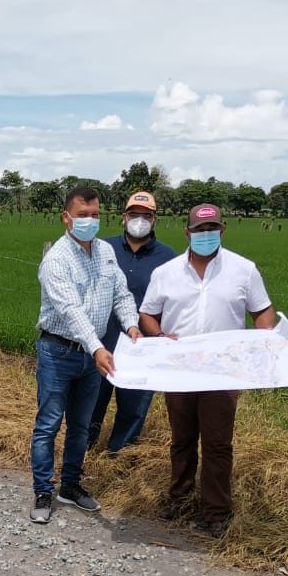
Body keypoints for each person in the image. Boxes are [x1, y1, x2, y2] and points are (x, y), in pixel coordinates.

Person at [139, 204, 276, 537]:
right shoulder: (166, 272)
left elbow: (263, 312)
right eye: (199, 230)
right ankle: (180, 498)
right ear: (187, 233)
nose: (206, 235)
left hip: (223, 371)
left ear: (222, 230)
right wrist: (159, 335)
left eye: (212, 228)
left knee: (217, 442)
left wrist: (262, 341)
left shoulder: (244, 270)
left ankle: (215, 511)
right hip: (180, 370)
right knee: (181, 438)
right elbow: (147, 314)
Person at [30, 186, 142, 524]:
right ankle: (43, 490)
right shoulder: (56, 260)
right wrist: (97, 347)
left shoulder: (106, 252)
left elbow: (121, 294)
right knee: (49, 423)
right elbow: (71, 311)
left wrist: (132, 325)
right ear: (66, 218)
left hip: (91, 357)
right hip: (59, 352)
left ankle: (71, 484)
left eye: (95, 215)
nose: (90, 221)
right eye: (82, 215)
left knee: (81, 425)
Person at [87, 191, 177, 456]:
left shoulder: (169, 259)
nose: (140, 220)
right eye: (134, 214)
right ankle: (82, 454)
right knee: (91, 404)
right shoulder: (102, 249)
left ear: (154, 220)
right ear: (124, 217)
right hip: (101, 343)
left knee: (133, 409)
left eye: (146, 215)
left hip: (143, 347)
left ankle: (118, 458)